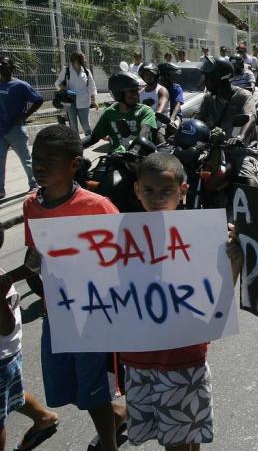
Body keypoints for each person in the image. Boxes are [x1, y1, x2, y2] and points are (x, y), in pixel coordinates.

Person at [1, 125, 127, 451]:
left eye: (50, 160)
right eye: (37, 159)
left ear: (74, 165)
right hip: (59, 315)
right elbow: (35, 260)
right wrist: (8, 279)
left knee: (93, 389)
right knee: (72, 386)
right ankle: (121, 413)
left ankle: (109, 444)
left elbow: (125, 261)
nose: (40, 166)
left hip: (96, 316)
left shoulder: (98, 207)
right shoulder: (32, 205)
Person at [121, 152, 215, 450]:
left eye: (166, 191)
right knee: (179, 437)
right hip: (138, 357)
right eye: (148, 190)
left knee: (183, 439)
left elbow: (216, 293)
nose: (157, 198)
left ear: (182, 191)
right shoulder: (120, 234)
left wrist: (232, 259)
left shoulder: (198, 235)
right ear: (137, 190)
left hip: (182, 357)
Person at [0, 224, 60, 451]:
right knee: (11, 389)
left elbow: (5, 327)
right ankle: (43, 417)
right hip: (6, 356)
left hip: (3, 356)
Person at [0, 56, 41, 200]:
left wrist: (25, 116)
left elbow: (38, 100)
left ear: (11, 67)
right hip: (1, 131)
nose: (1, 66)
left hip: (16, 130)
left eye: (4, 64)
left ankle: (35, 184)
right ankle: (0, 190)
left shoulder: (21, 85)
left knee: (26, 158)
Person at [85, 71, 157, 152]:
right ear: (119, 93)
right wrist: (76, 146)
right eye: (132, 91)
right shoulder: (109, 113)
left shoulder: (145, 111)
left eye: (137, 90)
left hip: (140, 159)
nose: (136, 94)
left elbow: (144, 134)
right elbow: (95, 137)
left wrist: (134, 151)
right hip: (116, 159)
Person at [197, 56, 257, 142]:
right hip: (216, 146)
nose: (204, 82)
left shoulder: (243, 96)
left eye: (208, 79)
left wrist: (240, 136)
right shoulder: (208, 98)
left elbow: (250, 117)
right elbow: (200, 118)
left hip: (242, 148)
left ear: (220, 80)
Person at [54, 51, 98, 138]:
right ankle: (75, 141)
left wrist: (94, 100)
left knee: (85, 123)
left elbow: (91, 86)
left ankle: (89, 138)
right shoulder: (66, 70)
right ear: (76, 60)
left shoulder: (86, 71)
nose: (84, 60)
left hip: (84, 101)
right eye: (82, 59)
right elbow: (57, 83)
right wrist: (63, 89)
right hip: (70, 101)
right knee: (73, 124)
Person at [138, 64, 170, 139]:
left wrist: (158, 113)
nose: (148, 77)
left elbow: (162, 105)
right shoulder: (141, 92)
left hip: (159, 126)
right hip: (144, 126)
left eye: (151, 74)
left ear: (155, 76)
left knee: (160, 142)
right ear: (143, 76)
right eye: (146, 75)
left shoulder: (161, 90)